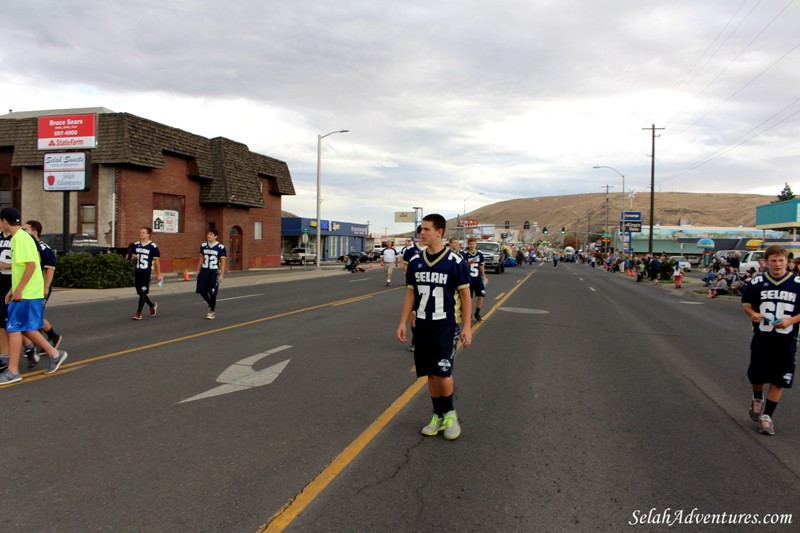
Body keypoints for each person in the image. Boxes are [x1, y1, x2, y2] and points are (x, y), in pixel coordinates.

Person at [396, 213, 472, 441]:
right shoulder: (417, 261)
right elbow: (411, 292)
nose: (422, 233)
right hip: (422, 325)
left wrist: (467, 326)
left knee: (443, 371)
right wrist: (402, 321)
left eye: (427, 229)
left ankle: (450, 414)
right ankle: (437, 414)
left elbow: (466, 295)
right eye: (421, 229)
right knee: (430, 372)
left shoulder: (455, 261)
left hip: (446, 325)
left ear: (440, 232)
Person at [0, 208, 68, 385]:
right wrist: (12, 289)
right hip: (27, 291)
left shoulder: (20, 239)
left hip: (28, 292)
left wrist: (19, 290)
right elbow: (21, 267)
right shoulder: (22, 236)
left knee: (13, 328)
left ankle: (13, 371)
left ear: (4, 221)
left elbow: (31, 265)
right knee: (25, 328)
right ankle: (54, 354)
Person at [741, 245, 800, 436]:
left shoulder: (797, 282)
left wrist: (790, 320)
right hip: (762, 337)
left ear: (788, 262)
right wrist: (753, 314)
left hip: (787, 339)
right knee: (757, 376)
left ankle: (767, 416)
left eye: (781, 260)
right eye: (773, 260)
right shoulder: (756, 282)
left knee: (779, 379)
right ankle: (757, 397)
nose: (777, 264)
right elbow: (747, 305)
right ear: (766, 262)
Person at [22, 220, 62, 369]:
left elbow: (50, 269)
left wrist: (46, 287)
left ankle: (52, 337)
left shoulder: (44, 248)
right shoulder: (28, 246)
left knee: (35, 317)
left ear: (34, 232)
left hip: (40, 288)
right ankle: (45, 339)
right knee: (33, 318)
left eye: (26, 229)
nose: (22, 231)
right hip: (30, 288)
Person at [128, 227, 162, 320]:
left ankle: (138, 313)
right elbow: (132, 258)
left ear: (148, 234)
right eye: (140, 232)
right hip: (138, 271)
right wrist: (133, 258)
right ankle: (151, 305)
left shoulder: (153, 246)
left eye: (143, 232)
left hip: (146, 272)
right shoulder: (136, 245)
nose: (141, 234)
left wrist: (158, 274)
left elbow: (157, 261)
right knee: (140, 292)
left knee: (143, 291)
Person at [402, 227, 425, 353]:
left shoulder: (433, 250)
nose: (423, 234)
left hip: (431, 288)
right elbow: (404, 266)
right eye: (421, 232)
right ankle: (415, 340)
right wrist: (414, 275)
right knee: (414, 314)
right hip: (415, 287)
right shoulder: (410, 250)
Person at [195, 229, 226, 320]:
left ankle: (212, 311)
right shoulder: (203, 245)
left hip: (214, 272)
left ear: (215, 236)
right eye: (208, 234)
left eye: (211, 234)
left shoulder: (220, 247)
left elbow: (223, 262)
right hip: (204, 270)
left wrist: (221, 275)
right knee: (201, 290)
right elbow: (201, 258)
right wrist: (198, 270)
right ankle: (210, 303)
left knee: (212, 292)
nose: (208, 235)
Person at [461, 237, 488, 322]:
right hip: (469, 279)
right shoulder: (464, 254)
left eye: (473, 244)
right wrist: (469, 263)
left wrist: (484, 276)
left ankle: (477, 313)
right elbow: (463, 266)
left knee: (481, 295)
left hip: (478, 278)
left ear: (476, 244)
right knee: (469, 297)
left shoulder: (479, 254)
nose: (472, 245)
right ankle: (469, 313)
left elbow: (481, 265)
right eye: (470, 244)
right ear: (468, 245)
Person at [0, 227, 11, 373]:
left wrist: (7, 265)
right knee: (1, 321)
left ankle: (30, 347)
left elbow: (29, 263)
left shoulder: (18, 237)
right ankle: (4, 357)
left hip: (12, 283)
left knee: (12, 323)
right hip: (1, 282)